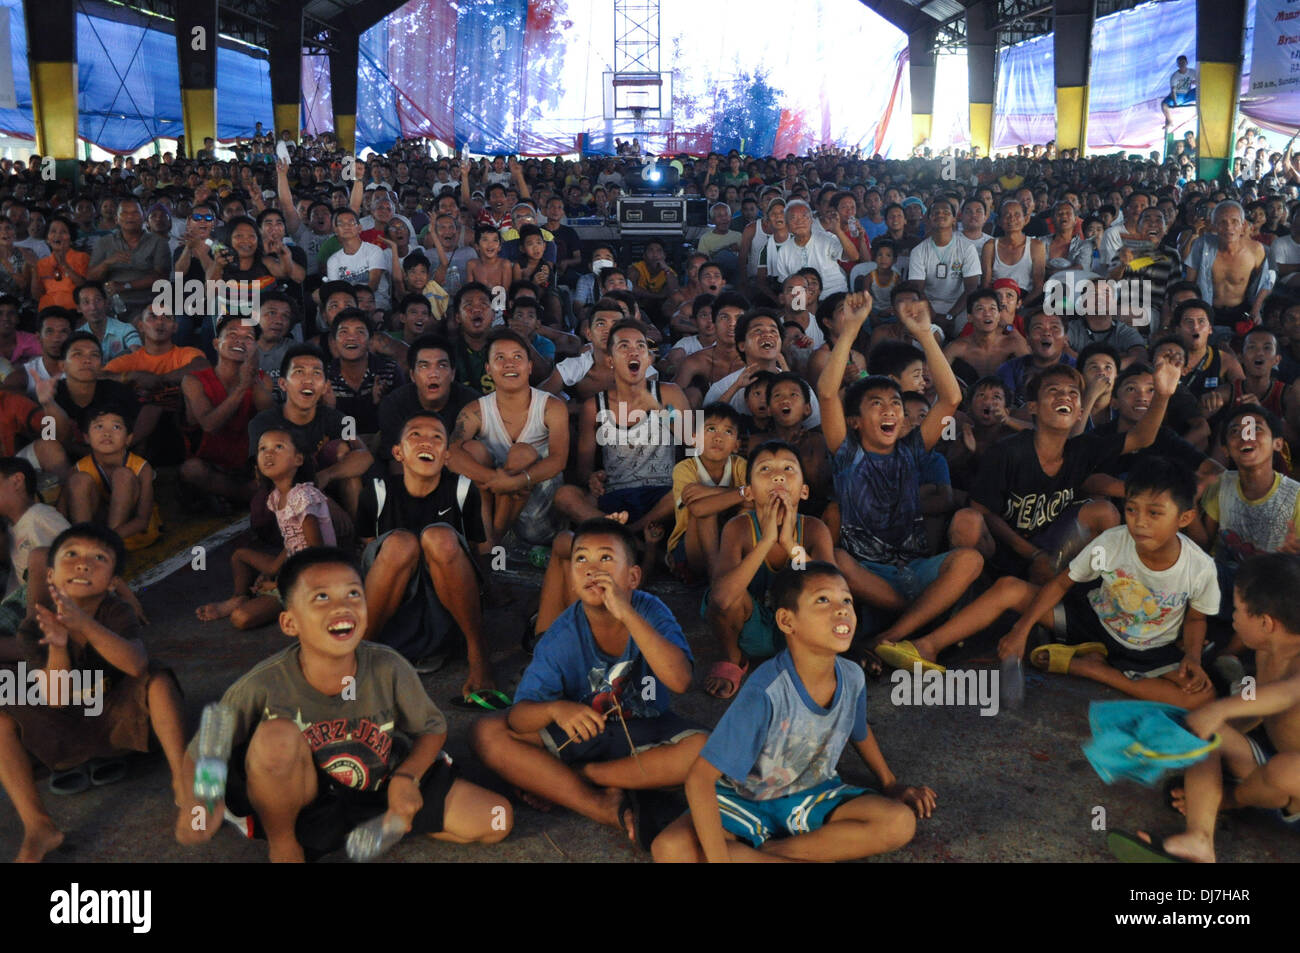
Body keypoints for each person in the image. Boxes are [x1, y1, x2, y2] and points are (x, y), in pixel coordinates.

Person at [177, 546, 511, 862]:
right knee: (275, 737)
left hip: (378, 784)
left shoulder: (389, 665)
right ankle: (286, 844)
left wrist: (406, 779)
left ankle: (383, 822)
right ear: (289, 623)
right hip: (306, 801)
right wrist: (199, 804)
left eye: (353, 593)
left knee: (497, 821)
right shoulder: (264, 682)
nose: (342, 607)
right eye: (321, 597)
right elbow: (206, 747)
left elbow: (432, 730)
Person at [652, 562, 934, 862]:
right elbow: (699, 779)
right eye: (823, 600)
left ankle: (776, 853)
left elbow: (858, 728)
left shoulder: (852, 676)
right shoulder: (766, 691)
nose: (841, 609)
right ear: (787, 621)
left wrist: (890, 783)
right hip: (744, 800)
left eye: (847, 600)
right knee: (670, 849)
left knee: (899, 822)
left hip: (810, 794)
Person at [911, 456, 1218, 707]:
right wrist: (1021, 630)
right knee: (1008, 588)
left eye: (1154, 513)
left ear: (1185, 518)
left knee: (1202, 697)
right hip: (1091, 623)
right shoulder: (1113, 542)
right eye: (1132, 510)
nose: (1139, 522)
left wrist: (1192, 656)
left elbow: (1195, 618)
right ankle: (927, 645)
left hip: (1149, 648)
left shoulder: (1200, 567)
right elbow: (1060, 584)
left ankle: (1093, 669)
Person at [471, 519, 705, 846]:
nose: (592, 569)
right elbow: (519, 716)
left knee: (707, 753)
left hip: (645, 730)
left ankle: (582, 778)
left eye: (606, 558)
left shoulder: (651, 610)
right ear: (571, 577)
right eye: (581, 559)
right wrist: (556, 709)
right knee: (488, 732)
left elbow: (680, 680)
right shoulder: (562, 635)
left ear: (633, 577)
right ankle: (604, 806)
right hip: (580, 734)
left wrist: (627, 614)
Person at [0, 523, 186, 862]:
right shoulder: (34, 625)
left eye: (98, 558)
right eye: (71, 554)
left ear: (113, 581)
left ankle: (184, 783)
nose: (83, 564)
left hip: (117, 720)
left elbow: (135, 664)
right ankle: (38, 825)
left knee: (157, 679)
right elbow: (56, 697)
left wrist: (84, 625)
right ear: (51, 574)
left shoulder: (116, 610)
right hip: (63, 725)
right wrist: (58, 646)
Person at [817, 292, 983, 669]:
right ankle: (923, 618)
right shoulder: (846, 452)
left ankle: (886, 639)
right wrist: (851, 331)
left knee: (969, 561)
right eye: (876, 404)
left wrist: (924, 334)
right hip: (867, 576)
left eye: (895, 403)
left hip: (914, 569)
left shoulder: (911, 449)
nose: (890, 410)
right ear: (856, 420)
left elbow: (951, 398)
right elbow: (827, 393)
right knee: (837, 559)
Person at [968, 359, 1180, 591]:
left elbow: (1142, 438)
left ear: (1080, 412)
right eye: (1053, 390)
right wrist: (1032, 553)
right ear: (1033, 407)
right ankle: (973, 592)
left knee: (1103, 511)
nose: (1065, 396)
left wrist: (1162, 395)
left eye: (1072, 392)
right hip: (1003, 547)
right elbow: (982, 512)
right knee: (965, 521)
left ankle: (1082, 598)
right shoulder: (1008, 452)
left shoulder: (1081, 449)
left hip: (1049, 545)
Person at [1147, 554, 1300, 862]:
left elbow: (1287, 692)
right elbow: (1259, 702)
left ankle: (1228, 799)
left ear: (1266, 623)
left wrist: (1220, 709)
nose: (1232, 619)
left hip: (1290, 779)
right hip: (1270, 772)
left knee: (1287, 769)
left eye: (1238, 611)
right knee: (1204, 730)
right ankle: (1199, 838)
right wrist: (1211, 726)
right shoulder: (1265, 649)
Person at [357, 413, 494, 691]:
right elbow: (369, 557)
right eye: (415, 435)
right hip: (390, 613)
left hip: (446, 611)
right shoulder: (377, 492)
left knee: (439, 537)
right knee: (401, 544)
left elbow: (475, 555)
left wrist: (490, 593)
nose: (425, 443)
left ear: (446, 456)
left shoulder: (462, 489)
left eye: (436, 437)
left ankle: (478, 654)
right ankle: (360, 654)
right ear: (398, 453)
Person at [704, 440, 836, 699]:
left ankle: (804, 659)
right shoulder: (738, 528)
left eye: (788, 469)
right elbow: (721, 598)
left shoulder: (814, 529)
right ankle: (732, 658)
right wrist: (766, 542)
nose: (778, 476)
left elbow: (830, 591)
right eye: (765, 470)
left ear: (805, 491)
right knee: (726, 594)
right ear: (750, 492)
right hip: (750, 628)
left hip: (797, 632)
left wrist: (788, 543)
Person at [447, 329, 570, 547]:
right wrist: (496, 480)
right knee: (472, 449)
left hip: (536, 511)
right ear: (488, 368)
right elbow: (452, 454)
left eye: (517, 357)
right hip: (491, 500)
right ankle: (492, 536)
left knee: (522, 453)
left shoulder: (552, 406)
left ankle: (493, 539)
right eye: (499, 358)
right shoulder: (475, 410)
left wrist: (516, 481)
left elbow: (559, 460)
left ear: (530, 367)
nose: (509, 364)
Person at [180, 313, 274, 506]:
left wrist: (252, 377)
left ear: (256, 347)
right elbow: (209, 425)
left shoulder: (262, 380)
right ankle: (246, 496)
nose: (239, 340)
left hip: (248, 466)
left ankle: (228, 496)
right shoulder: (193, 380)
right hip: (210, 466)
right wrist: (241, 388)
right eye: (232, 334)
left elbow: (269, 419)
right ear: (215, 343)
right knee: (192, 470)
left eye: (248, 337)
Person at [665, 402, 746, 582]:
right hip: (690, 550)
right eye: (710, 429)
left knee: (746, 512)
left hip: (728, 544)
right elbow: (697, 508)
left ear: (736, 445)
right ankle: (716, 578)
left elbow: (754, 500)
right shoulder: (684, 468)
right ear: (694, 438)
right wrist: (739, 494)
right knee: (705, 510)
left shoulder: (740, 466)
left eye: (728, 432)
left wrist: (706, 491)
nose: (718, 438)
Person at [63, 404, 161, 552]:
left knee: (123, 475)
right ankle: (85, 543)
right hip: (95, 540)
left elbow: (142, 520)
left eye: (116, 427)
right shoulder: (78, 468)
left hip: (132, 536)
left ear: (129, 438)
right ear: (86, 437)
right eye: (99, 427)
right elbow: (61, 514)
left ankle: (106, 548)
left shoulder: (142, 468)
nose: (107, 433)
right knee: (79, 480)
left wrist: (107, 538)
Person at [906, 199, 981, 337]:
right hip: (928, 304)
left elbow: (971, 289)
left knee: (971, 332)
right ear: (928, 220)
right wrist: (934, 316)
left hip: (959, 305)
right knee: (926, 337)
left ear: (954, 219)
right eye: (935, 212)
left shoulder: (967, 248)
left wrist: (949, 316)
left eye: (946, 212)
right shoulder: (918, 251)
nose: (940, 215)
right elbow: (917, 290)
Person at [1161, 55, 1197, 128]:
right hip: (1179, 95)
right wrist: (1175, 102)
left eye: (1183, 62)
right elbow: (1173, 90)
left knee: (1202, 90)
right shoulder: (1174, 76)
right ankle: (1170, 121)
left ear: (1186, 62)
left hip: (1189, 93)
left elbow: (1199, 81)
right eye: (1179, 63)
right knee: (1164, 105)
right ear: (1177, 65)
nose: (1181, 65)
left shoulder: (1192, 72)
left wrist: (1192, 82)